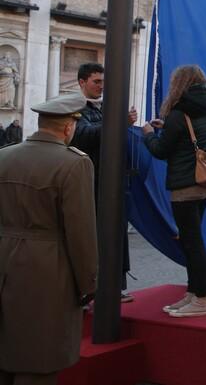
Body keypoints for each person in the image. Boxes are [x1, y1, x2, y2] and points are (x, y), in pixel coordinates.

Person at [0, 93, 98, 385]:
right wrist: (88, 284)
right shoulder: (73, 164)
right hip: (47, 269)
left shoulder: (4, 156)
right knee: (38, 358)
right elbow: (81, 233)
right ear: (69, 128)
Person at [142, 65, 206, 318]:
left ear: (179, 85)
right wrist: (166, 126)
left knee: (192, 244)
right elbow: (187, 140)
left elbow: (161, 151)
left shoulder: (178, 114)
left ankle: (202, 299)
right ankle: (193, 292)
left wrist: (149, 134)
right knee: (191, 241)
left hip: (184, 188)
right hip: (204, 187)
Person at [69, 62, 138, 302]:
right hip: (92, 182)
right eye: (96, 82)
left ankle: (115, 286)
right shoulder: (75, 108)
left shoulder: (106, 108)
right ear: (81, 82)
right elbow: (82, 135)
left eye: (103, 82)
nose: (101, 86)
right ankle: (93, 290)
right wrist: (119, 123)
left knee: (116, 235)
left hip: (113, 181)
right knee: (95, 237)